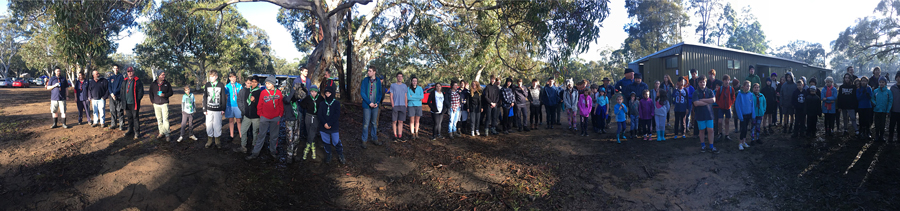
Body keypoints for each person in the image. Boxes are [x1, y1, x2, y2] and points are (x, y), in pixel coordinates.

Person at [245, 76, 285, 161]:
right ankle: (255, 152)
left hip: (275, 118)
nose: (267, 85)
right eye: (266, 83)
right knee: (261, 135)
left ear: (273, 84)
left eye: (269, 83)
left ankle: (273, 151)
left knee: (274, 136)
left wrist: (280, 115)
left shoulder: (278, 93)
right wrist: (261, 114)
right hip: (264, 117)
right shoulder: (263, 92)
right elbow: (260, 104)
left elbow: (281, 105)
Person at [234, 77, 261, 153]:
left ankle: (254, 147)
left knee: (255, 132)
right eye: (252, 82)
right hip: (247, 115)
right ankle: (243, 146)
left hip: (256, 116)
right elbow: (242, 101)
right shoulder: (246, 91)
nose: (253, 83)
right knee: (243, 130)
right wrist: (244, 111)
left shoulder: (259, 92)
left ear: (258, 83)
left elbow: (260, 104)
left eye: (255, 82)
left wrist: (255, 101)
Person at [360, 67, 385, 148]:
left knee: (374, 123)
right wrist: (369, 102)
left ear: (374, 72)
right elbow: (362, 92)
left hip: (375, 106)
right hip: (367, 106)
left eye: (370, 71)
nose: (368, 72)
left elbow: (380, 93)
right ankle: (364, 140)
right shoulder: (365, 80)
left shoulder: (378, 81)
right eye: (368, 71)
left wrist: (377, 102)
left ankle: (374, 138)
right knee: (366, 124)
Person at [318, 87, 344, 164]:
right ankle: (329, 153)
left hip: (333, 125)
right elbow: (320, 114)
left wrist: (329, 123)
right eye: (326, 94)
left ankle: (340, 154)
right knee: (326, 141)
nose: (328, 95)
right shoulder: (322, 104)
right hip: (323, 126)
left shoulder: (336, 103)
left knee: (336, 141)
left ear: (332, 94)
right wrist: (324, 123)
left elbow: (337, 115)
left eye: (329, 93)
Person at [693, 75, 718, 153]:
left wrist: (702, 100)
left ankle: (711, 146)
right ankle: (703, 146)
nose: (702, 83)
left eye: (703, 82)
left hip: (709, 114)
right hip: (700, 115)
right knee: (702, 131)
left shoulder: (710, 91)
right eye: (700, 82)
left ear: (706, 82)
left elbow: (713, 100)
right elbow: (696, 103)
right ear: (698, 83)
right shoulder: (695, 92)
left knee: (710, 130)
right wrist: (707, 101)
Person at [203, 70, 228, 148]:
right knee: (209, 125)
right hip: (209, 109)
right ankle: (209, 140)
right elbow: (204, 97)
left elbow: (223, 97)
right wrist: (204, 108)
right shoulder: (207, 85)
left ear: (216, 77)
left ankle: (217, 141)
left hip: (218, 109)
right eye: (210, 76)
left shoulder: (220, 85)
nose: (211, 78)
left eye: (213, 76)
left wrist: (223, 108)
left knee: (217, 125)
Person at [280, 76, 303, 163]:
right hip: (289, 120)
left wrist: (302, 87)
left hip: (296, 120)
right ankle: (289, 156)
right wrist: (293, 89)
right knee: (290, 139)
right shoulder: (285, 98)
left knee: (296, 139)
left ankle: (294, 154)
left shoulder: (295, 99)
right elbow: (288, 99)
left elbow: (303, 95)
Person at [298, 85, 321, 161]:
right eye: (312, 92)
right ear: (310, 92)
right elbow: (302, 105)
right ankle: (313, 145)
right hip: (308, 116)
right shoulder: (307, 98)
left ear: (317, 92)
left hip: (316, 117)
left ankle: (307, 149)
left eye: (315, 92)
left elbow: (324, 106)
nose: (313, 93)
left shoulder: (320, 98)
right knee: (309, 132)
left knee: (313, 131)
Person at [150, 71, 174, 141]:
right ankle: (161, 132)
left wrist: (165, 95)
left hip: (164, 103)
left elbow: (171, 92)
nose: (164, 76)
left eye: (164, 75)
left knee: (165, 119)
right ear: (158, 75)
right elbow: (150, 93)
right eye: (162, 75)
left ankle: (167, 134)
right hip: (156, 104)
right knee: (159, 119)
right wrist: (153, 101)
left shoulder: (167, 83)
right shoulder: (153, 84)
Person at [121, 67, 144, 140]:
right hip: (127, 103)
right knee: (129, 117)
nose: (129, 73)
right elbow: (122, 90)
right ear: (127, 72)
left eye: (131, 71)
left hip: (134, 103)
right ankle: (130, 130)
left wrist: (137, 100)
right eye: (128, 71)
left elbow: (141, 91)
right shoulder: (125, 80)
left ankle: (137, 132)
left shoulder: (137, 80)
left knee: (135, 118)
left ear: (133, 72)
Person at [735, 80, 755, 150]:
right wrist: (740, 116)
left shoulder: (750, 94)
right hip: (742, 116)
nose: (748, 87)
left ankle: (744, 142)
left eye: (749, 86)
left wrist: (753, 115)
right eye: (747, 86)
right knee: (743, 129)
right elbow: (737, 106)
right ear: (743, 86)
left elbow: (752, 105)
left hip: (748, 115)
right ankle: (740, 143)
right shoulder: (740, 95)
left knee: (746, 129)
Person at [715, 75, 736, 141]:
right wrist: (719, 103)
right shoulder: (720, 89)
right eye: (725, 80)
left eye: (728, 80)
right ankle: (720, 133)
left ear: (729, 81)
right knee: (720, 121)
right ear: (723, 81)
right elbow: (716, 97)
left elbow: (733, 97)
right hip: (721, 108)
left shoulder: (731, 89)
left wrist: (730, 103)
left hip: (728, 108)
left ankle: (727, 135)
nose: (727, 81)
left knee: (727, 121)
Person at [389, 72, 409, 142]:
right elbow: (391, 96)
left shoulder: (405, 86)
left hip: (403, 106)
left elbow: (406, 96)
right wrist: (393, 105)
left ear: (402, 78)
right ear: (396, 77)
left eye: (401, 76)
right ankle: (395, 135)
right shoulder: (393, 85)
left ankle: (400, 135)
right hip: (395, 105)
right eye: (398, 76)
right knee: (394, 121)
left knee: (401, 121)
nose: (400, 78)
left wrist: (406, 105)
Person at [872, 77, 892, 142]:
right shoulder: (875, 91)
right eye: (880, 82)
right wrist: (875, 104)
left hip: (884, 111)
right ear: (878, 83)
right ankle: (877, 135)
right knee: (877, 124)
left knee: (882, 124)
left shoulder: (888, 92)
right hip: (877, 110)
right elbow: (872, 98)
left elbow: (890, 101)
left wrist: (888, 109)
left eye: (883, 82)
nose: (881, 83)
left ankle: (882, 136)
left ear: (885, 83)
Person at [224, 73, 243, 141]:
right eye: (231, 77)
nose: (233, 79)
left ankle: (241, 135)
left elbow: (241, 95)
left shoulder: (239, 86)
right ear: (229, 78)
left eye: (234, 77)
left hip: (237, 106)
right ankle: (231, 135)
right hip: (230, 106)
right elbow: (226, 96)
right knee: (231, 120)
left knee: (238, 120)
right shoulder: (227, 86)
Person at [107, 65, 126, 130]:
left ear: (118, 69)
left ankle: (121, 125)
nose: (116, 69)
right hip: (112, 97)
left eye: (117, 68)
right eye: (114, 68)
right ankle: (113, 124)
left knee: (120, 111)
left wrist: (114, 93)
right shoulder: (111, 77)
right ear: (113, 69)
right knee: (112, 110)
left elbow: (121, 86)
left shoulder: (121, 77)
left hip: (118, 96)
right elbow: (109, 86)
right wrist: (111, 94)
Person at [407, 76, 424, 140]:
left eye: (415, 81)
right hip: (411, 105)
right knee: (412, 121)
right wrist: (417, 97)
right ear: (411, 81)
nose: (414, 82)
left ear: (417, 82)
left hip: (418, 106)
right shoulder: (408, 88)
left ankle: (416, 132)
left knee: (417, 121)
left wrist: (413, 96)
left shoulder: (420, 88)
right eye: (413, 81)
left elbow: (421, 97)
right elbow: (408, 97)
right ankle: (412, 133)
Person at [889, 74, 900, 142]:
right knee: (892, 125)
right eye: (897, 77)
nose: (899, 78)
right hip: (893, 109)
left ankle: (899, 137)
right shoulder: (893, 88)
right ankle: (890, 137)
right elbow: (890, 98)